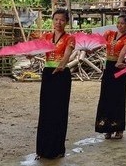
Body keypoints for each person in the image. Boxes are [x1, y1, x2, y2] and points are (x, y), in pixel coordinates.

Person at [35, 9, 75, 159]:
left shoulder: (70, 38)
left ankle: (57, 148)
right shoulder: (46, 36)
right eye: (56, 19)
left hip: (61, 76)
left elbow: (67, 55)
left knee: (59, 111)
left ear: (66, 22)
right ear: (52, 20)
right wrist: (29, 53)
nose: (58, 22)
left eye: (62, 20)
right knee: (45, 111)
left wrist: (62, 65)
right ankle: (42, 149)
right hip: (48, 74)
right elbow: (38, 49)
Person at [95, 14, 126, 139]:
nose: (119, 25)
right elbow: (99, 43)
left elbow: (123, 52)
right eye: (118, 22)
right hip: (109, 67)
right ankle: (107, 128)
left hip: (119, 67)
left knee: (118, 97)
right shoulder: (109, 34)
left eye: (122, 23)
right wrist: (90, 49)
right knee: (106, 96)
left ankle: (118, 129)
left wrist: (119, 61)